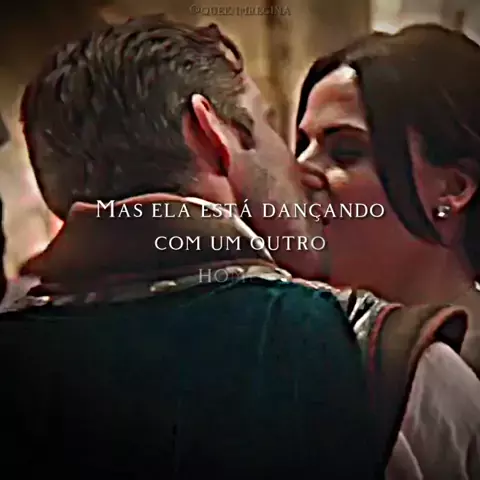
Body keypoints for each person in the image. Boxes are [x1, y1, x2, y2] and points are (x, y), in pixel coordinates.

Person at [0, 16, 467, 478]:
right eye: (274, 129)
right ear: (211, 132)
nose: (300, 168)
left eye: (344, 151)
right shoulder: (384, 370)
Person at [295, 25, 480, 479]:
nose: (299, 171)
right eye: (302, 146)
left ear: (453, 188)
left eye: (344, 152)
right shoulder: (293, 347)